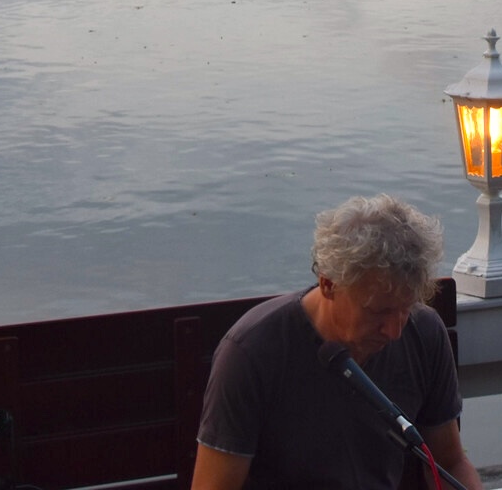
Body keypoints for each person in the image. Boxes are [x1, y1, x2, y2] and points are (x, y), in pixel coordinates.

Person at [192, 194, 483, 490]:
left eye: (405, 308)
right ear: (328, 284)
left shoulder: (423, 332)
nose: (394, 331)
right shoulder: (252, 352)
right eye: (378, 311)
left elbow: (449, 463)